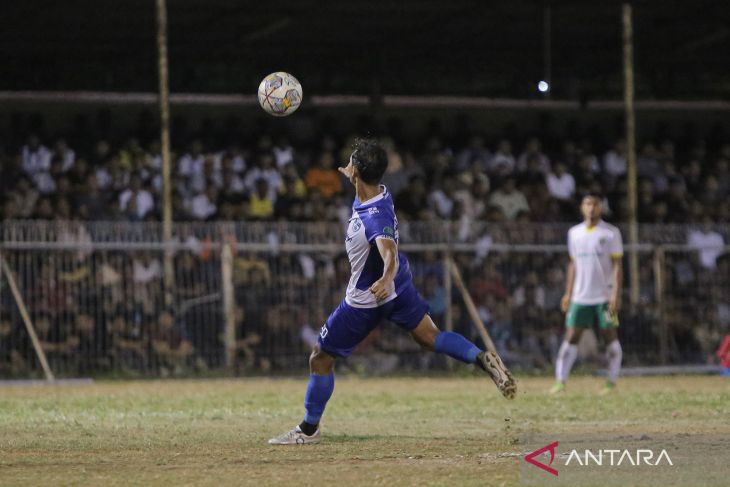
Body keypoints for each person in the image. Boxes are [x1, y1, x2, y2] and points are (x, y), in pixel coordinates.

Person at [268, 139, 516, 445]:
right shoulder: (381, 193)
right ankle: (481, 357)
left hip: (369, 297)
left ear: (357, 170)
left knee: (320, 358)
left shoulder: (374, 214)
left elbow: (389, 251)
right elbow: (374, 208)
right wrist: (354, 172)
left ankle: (308, 430)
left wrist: (385, 278)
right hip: (401, 288)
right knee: (429, 337)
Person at [551, 194, 624, 395]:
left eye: (595, 204)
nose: (591, 208)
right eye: (588, 204)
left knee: (610, 338)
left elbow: (617, 266)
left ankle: (610, 382)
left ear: (601, 207)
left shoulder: (610, 233)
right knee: (571, 337)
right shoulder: (574, 233)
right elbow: (573, 264)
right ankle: (560, 382)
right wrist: (568, 292)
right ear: (582, 207)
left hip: (604, 297)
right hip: (580, 297)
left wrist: (615, 295)